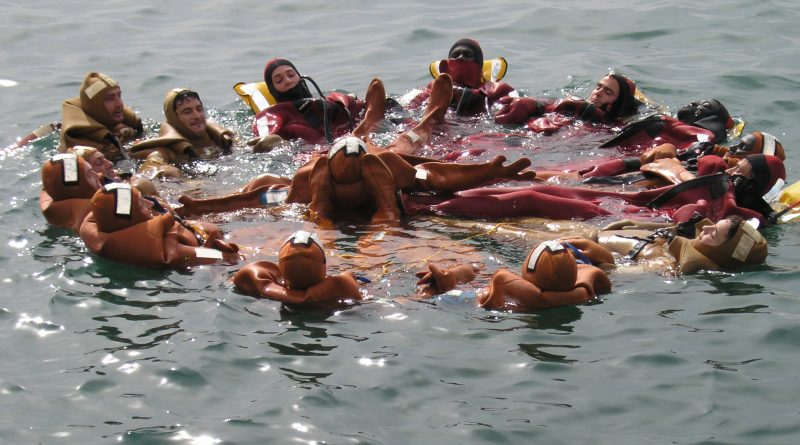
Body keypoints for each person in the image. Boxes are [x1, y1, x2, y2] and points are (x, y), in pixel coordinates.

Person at [415, 240, 612, 311]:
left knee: (476, 272)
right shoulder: (587, 282)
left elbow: (499, 280)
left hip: (474, 300)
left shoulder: (507, 286)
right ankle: (452, 276)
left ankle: (448, 279)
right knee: (477, 270)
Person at [79, 183, 239, 268]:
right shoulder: (161, 247)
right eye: (141, 205)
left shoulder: (109, 226)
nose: (150, 204)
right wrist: (225, 252)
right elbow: (221, 257)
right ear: (132, 217)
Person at [247, 58, 364, 147]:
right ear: (273, 89)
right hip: (309, 156)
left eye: (291, 75)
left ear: (300, 77)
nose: (288, 81)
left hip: (352, 140)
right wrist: (274, 140)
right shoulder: (272, 115)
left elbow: (364, 109)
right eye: (279, 80)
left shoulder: (331, 101)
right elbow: (264, 137)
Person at [597, 215, 767, 275]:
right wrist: (634, 224)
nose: (705, 228)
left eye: (713, 234)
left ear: (720, 253)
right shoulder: (680, 243)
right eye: (713, 224)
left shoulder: (666, 265)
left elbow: (613, 271)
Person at [233, 230, 362, 310]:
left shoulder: (260, 283)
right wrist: (348, 277)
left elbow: (252, 274)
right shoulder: (340, 287)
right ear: (323, 266)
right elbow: (341, 283)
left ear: (281, 268)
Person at [129, 89, 236, 178]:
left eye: (199, 109)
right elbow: (146, 173)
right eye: (187, 112)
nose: (197, 116)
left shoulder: (223, 139)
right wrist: (171, 173)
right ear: (174, 118)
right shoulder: (166, 151)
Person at [407, 38, 516, 116]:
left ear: (479, 64)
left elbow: (512, 105)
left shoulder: (497, 90)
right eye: (455, 55)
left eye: (467, 55)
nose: (460, 58)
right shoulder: (434, 89)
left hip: (481, 129)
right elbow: (408, 108)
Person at [494, 73, 640, 130]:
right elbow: (548, 104)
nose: (598, 93)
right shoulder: (571, 103)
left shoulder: (613, 129)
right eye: (598, 87)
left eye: (608, 92)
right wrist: (533, 104)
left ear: (618, 104)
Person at [59, 72, 143, 161]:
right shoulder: (77, 139)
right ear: (95, 105)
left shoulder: (130, 125)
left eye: (119, 95)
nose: (119, 104)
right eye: (110, 98)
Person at [40, 153, 103, 233]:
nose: (97, 176)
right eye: (90, 175)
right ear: (78, 188)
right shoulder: (95, 213)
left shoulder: (53, 207)